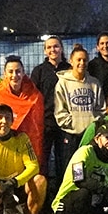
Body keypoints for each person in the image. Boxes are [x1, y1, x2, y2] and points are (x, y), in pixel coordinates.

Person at [0, 55, 48, 167]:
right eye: (10, 72)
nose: (14, 75)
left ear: (23, 73)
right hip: (1, 144)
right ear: (5, 74)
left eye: (18, 71)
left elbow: (37, 129)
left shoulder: (35, 95)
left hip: (23, 146)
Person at [53, 45, 104, 173]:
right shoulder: (63, 83)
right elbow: (60, 110)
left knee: (89, 169)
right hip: (71, 136)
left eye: (85, 60)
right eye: (78, 60)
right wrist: (73, 123)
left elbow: (101, 109)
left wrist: (93, 126)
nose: (82, 63)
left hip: (91, 135)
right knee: (73, 171)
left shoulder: (94, 83)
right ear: (71, 61)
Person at [31, 35, 71, 185]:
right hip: (45, 122)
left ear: (61, 48)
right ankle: (44, 195)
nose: (53, 50)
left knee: (64, 161)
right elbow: (33, 97)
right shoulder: (39, 71)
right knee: (43, 161)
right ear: (45, 51)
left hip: (65, 123)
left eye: (55, 46)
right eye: (49, 47)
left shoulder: (69, 70)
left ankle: (63, 194)